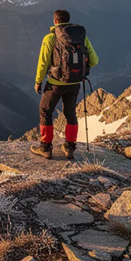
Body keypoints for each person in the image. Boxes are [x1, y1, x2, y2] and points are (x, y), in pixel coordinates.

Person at [31, 9, 98, 160]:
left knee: (45, 111)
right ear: (68, 20)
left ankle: (45, 148)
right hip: (75, 83)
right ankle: (70, 147)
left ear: (55, 21)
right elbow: (94, 60)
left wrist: (38, 81)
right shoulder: (82, 37)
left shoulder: (50, 38)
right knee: (70, 113)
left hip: (55, 83)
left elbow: (43, 62)